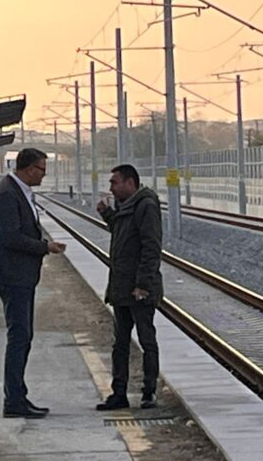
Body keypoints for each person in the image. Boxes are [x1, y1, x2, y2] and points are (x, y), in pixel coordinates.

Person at [0, 148, 66, 419]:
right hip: (12, 275)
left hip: (19, 275)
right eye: (42, 170)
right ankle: (14, 401)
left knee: (23, 336)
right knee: (19, 336)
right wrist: (45, 247)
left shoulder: (16, 191)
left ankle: (18, 395)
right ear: (30, 169)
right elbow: (11, 238)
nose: (44, 175)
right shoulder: (8, 194)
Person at [94, 164, 163, 411]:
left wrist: (143, 284)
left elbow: (151, 247)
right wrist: (107, 214)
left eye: (115, 182)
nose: (111, 187)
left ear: (130, 183)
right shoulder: (127, 206)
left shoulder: (146, 206)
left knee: (147, 340)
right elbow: (122, 232)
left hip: (139, 289)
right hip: (122, 287)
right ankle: (119, 393)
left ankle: (149, 392)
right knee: (120, 343)